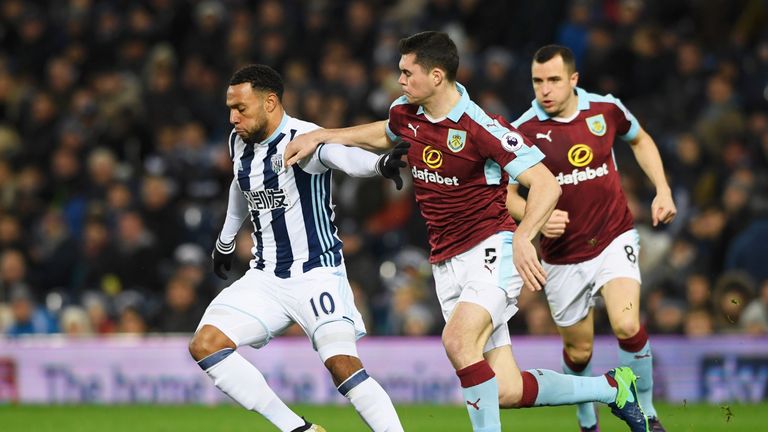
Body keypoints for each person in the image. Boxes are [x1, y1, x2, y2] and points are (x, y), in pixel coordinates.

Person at [286, 31, 650, 432]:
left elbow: (547, 184)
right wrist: (326, 134)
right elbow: (385, 132)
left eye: (407, 72)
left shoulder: (482, 127)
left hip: (490, 251)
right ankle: (613, 388)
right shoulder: (406, 112)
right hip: (445, 261)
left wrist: (526, 237)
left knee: (458, 342)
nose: (400, 80)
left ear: (437, 75)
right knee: (507, 389)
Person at [188, 64, 407, 432]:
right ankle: (299, 429)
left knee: (343, 368)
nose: (232, 117)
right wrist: (225, 241)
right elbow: (241, 187)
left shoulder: (303, 136)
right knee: (205, 345)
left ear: (270, 102)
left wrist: (379, 164)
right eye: (230, 108)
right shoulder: (238, 142)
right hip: (266, 277)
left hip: (316, 274)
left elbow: (339, 157)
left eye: (240, 108)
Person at [507, 45, 677, 432]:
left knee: (626, 324)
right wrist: (535, 217)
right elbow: (506, 193)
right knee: (578, 349)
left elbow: (640, 140)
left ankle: (648, 415)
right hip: (562, 255)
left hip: (614, 236)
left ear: (573, 79)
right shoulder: (523, 131)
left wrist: (662, 189)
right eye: (537, 81)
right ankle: (587, 417)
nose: (544, 89)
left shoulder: (605, 110)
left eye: (553, 80)